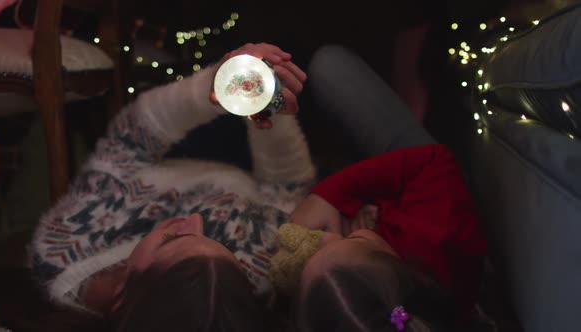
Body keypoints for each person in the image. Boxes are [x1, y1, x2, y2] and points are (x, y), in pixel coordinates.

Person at [28, 42, 313, 331]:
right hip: (260, 166)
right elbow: (287, 187)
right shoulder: (247, 279)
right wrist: (265, 106)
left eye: (171, 240)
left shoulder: (59, 250)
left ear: (120, 298)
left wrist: (213, 86)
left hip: (172, 153)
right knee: (292, 61)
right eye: (217, 241)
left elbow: (130, 139)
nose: (196, 220)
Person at [287, 45, 487, 332]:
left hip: (382, 198)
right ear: (406, 271)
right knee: (329, 63)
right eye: (355, 240)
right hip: (420, 176)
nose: (326, 239)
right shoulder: (440, 236)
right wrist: (328, 193)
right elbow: (435, 160)